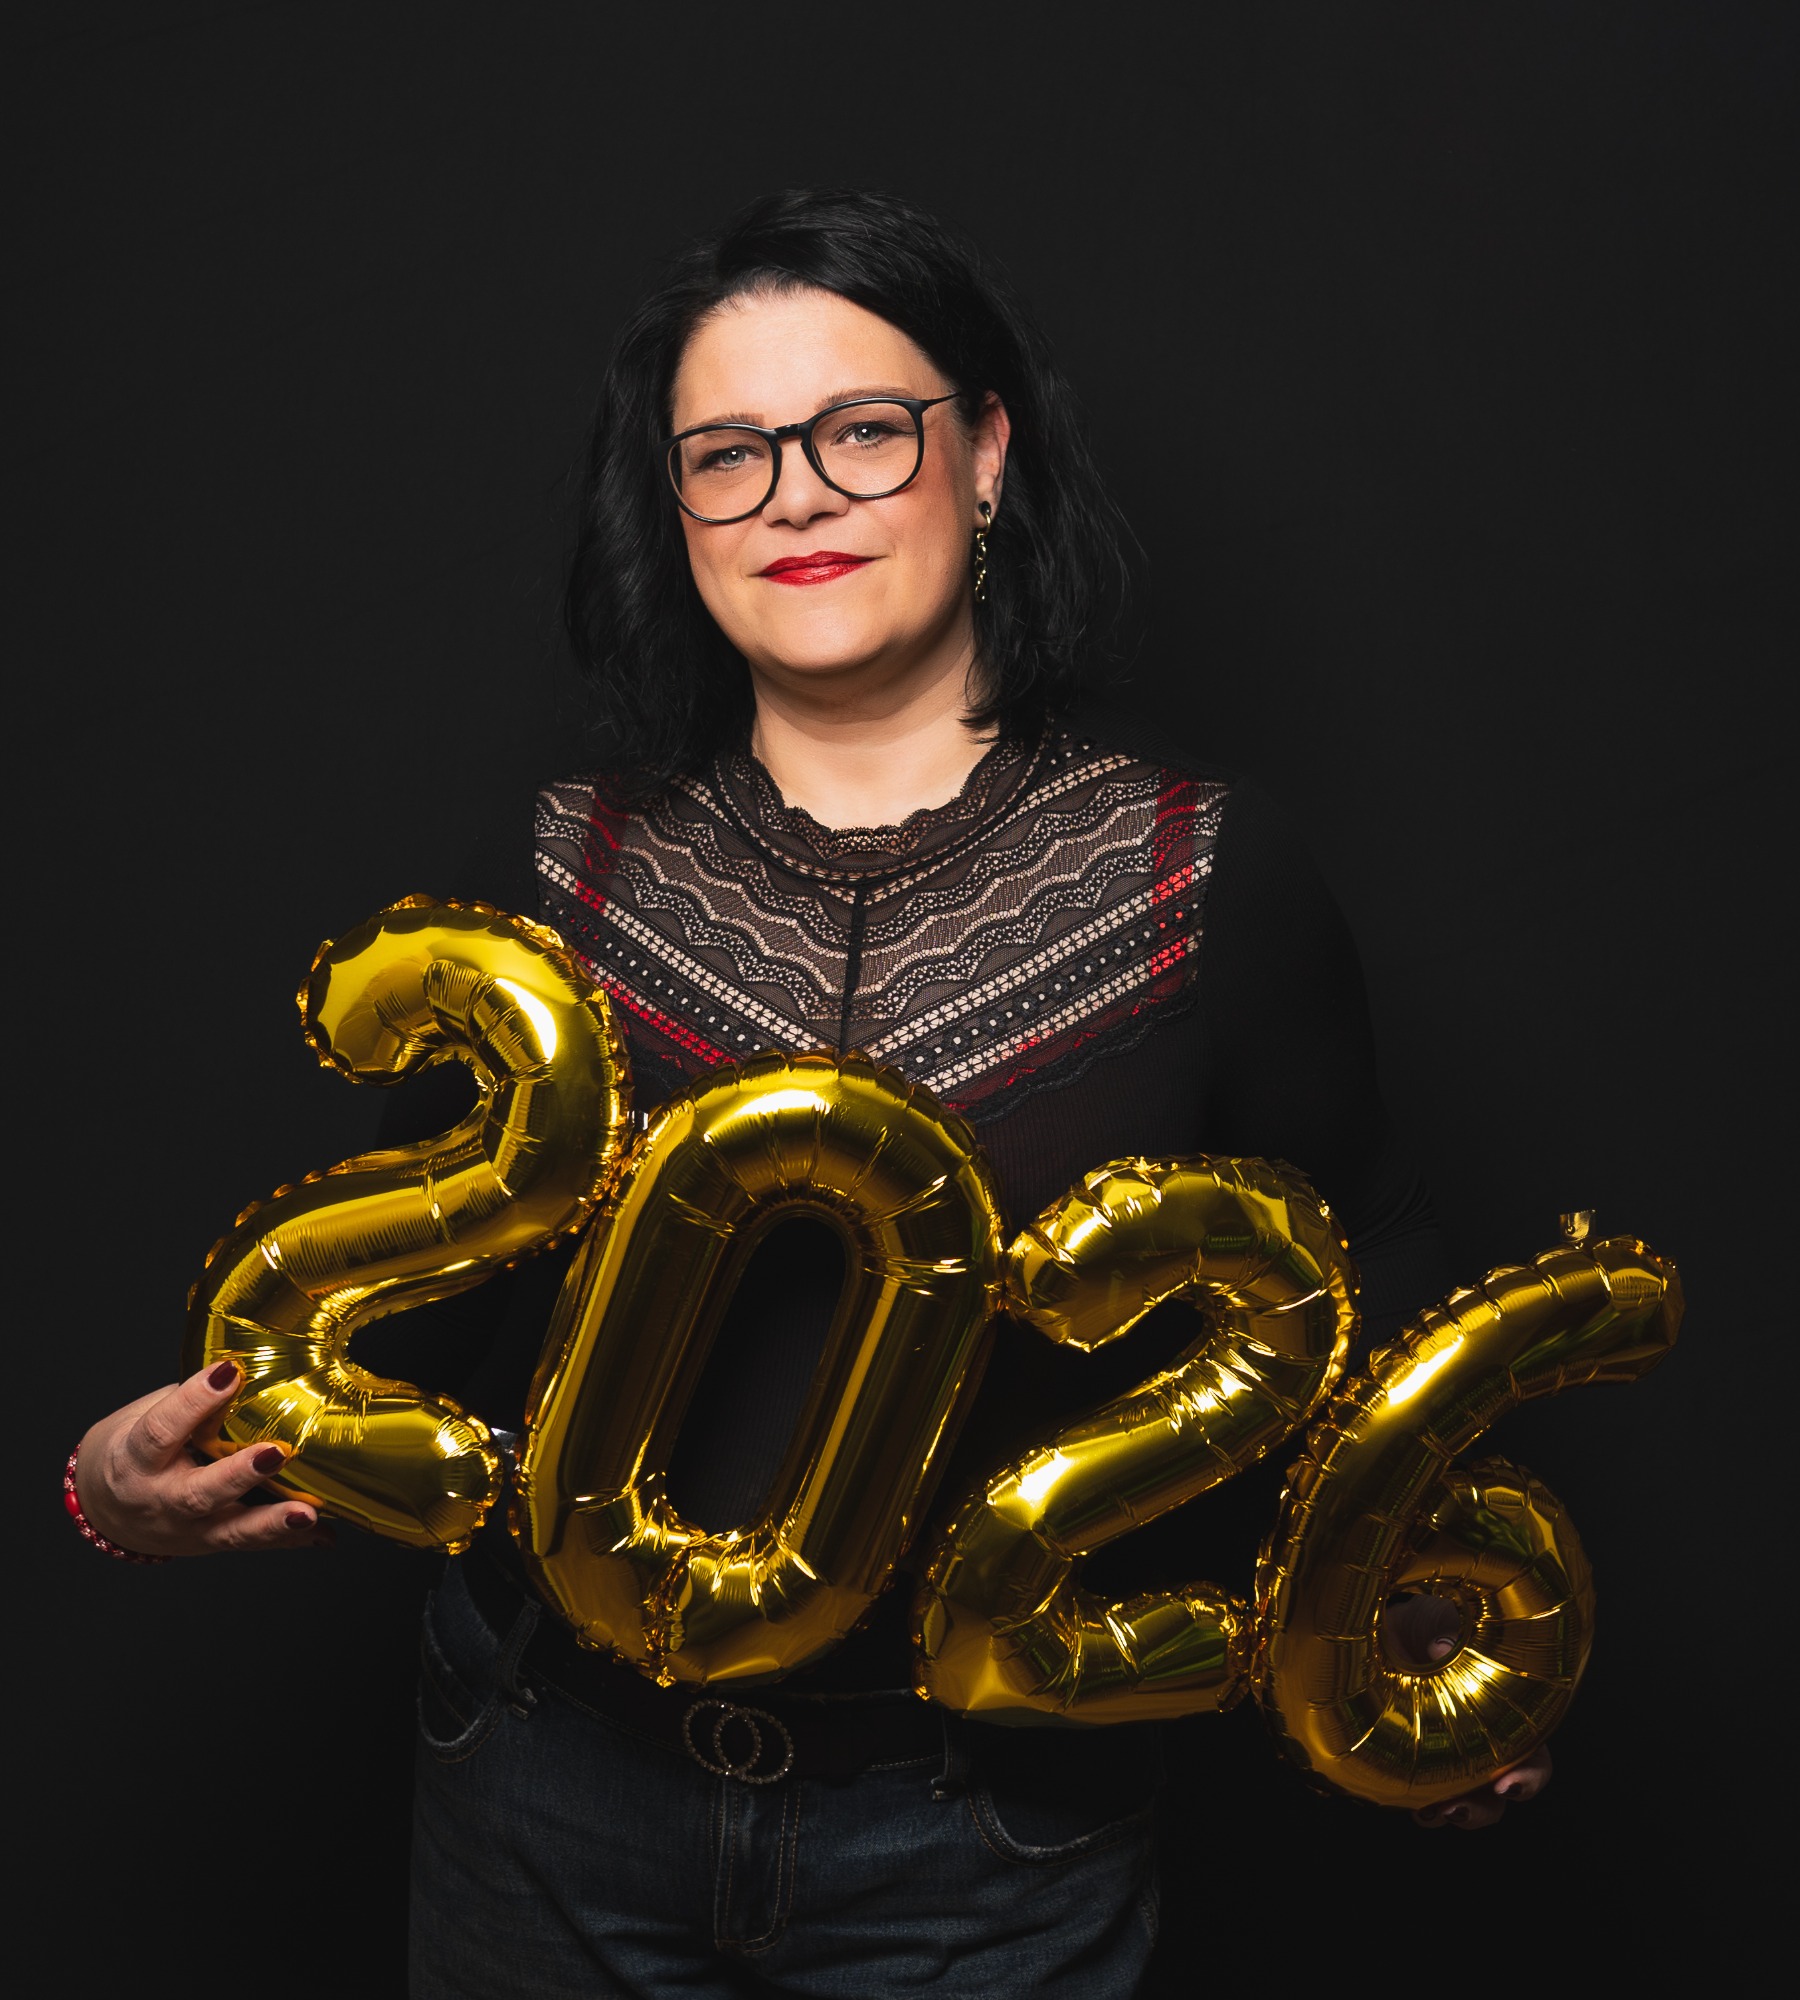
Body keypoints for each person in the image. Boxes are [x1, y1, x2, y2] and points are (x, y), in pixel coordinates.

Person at [67, 188, 1552, 1997]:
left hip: (990, 1835)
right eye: (730, 454)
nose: (795, 496)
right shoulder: (559, 871)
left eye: (860, 432)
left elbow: (1373, 1262)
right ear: (676, 509)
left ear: (985, 453)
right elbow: (422, 1304)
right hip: (538, 1793)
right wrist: (133, 1477)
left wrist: (1423, 1627)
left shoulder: (1206, 880)